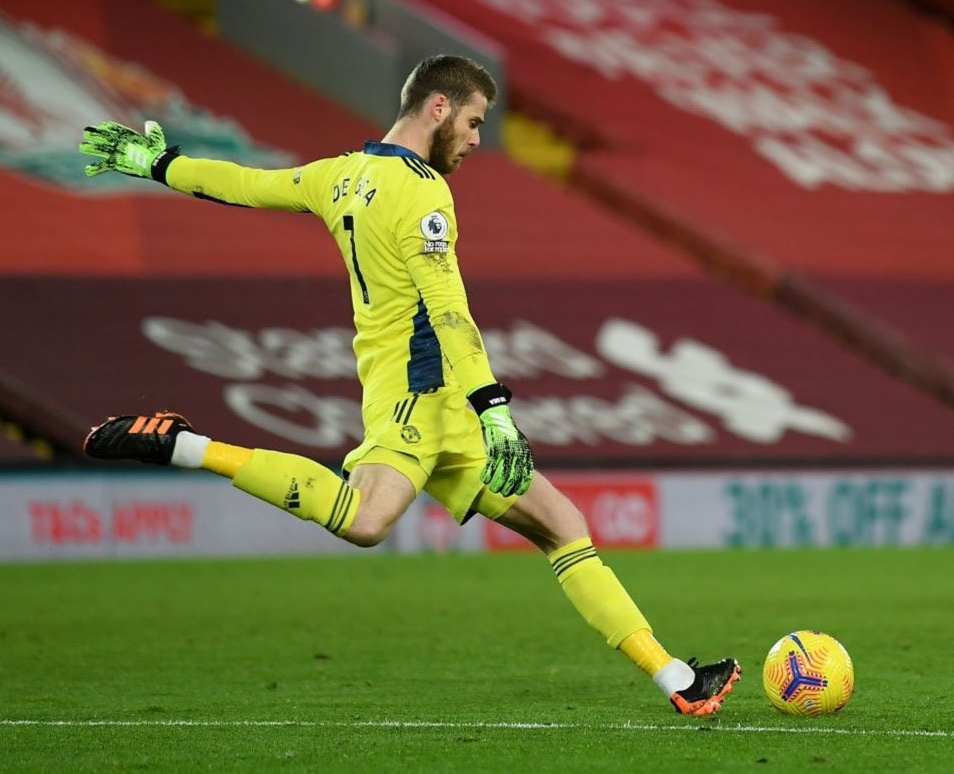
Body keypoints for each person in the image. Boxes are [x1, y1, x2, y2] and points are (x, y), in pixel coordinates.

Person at [77, 53, 739, 716]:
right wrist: (497, 410)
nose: (478, 140)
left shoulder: (338, 174)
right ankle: (188, 447)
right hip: (418, 397)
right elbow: (449, 310)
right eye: (476, 122)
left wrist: (158, 164)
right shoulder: (422, 190)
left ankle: (675, 678)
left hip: (433, 400)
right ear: (439, 108)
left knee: (563, 525)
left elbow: (246, 183)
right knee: (366, 520)